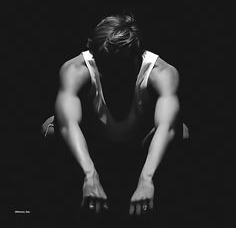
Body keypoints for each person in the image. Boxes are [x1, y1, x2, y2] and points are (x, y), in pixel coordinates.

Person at [41, 12, 189, 219]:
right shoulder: (76, 69)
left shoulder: (161, 73)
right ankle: (58, 210)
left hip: (139, 146)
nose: (112, 74)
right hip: (94, 143)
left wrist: (147, 178)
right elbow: (68, 125)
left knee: (181, 131)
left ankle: (170, 212)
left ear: (137, 57)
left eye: (120, 67)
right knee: (51, 128)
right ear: (93, 52)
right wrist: (89, 174)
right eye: (105, 65)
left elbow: (167, 127)